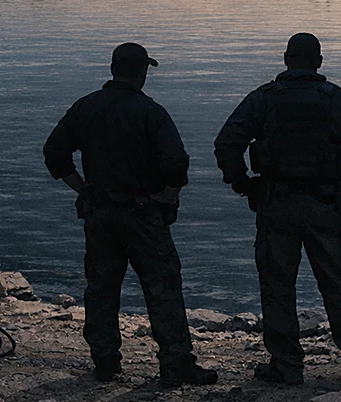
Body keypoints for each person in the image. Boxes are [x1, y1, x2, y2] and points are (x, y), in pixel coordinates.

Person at [213, 33, 341, 387]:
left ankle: (287, 366)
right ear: (319, 62)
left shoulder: (262, 99)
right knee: (339, 285)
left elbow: (226, 143)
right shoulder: (339, 100)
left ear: (286, 59)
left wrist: (244, 184)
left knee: (277, 287)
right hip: (325, 205)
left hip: (277, 206)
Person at [43, 42, 218, 388]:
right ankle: (176, 363)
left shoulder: (86, 107)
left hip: (100, 214)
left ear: (112, 69)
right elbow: (176, 164)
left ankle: (105, 361)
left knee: (102, 287)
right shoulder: (150, 112)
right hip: (143, 216)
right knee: (163, 286)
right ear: (142, 73)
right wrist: (167, 196)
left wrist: (83, 189)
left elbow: (54, 152)